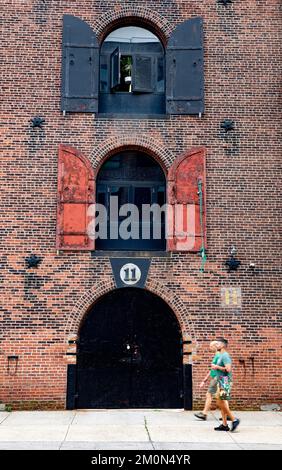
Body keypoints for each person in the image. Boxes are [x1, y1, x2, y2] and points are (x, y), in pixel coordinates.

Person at [211, 337, 240, 432]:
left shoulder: (225, 356)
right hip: (221, 380)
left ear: (223, 345)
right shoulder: (220, 355)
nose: (216, 345)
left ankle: (234, 420)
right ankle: (224, 425)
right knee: (220, 402)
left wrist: (216, 367)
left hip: (225, 380)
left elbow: (228, 369)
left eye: (218, 344)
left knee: (221, 402)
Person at [194, 341, 221, 420]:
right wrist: (205, 380)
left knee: (209, 395)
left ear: (215, 347)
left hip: (216, 378)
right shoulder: (217, 356)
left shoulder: (218, 356)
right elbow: (212, 369)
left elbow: (220, 368)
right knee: (221, 398)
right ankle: (228, 415)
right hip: (215, 377)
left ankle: (204, 414)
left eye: (211, 346)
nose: (210, 348)